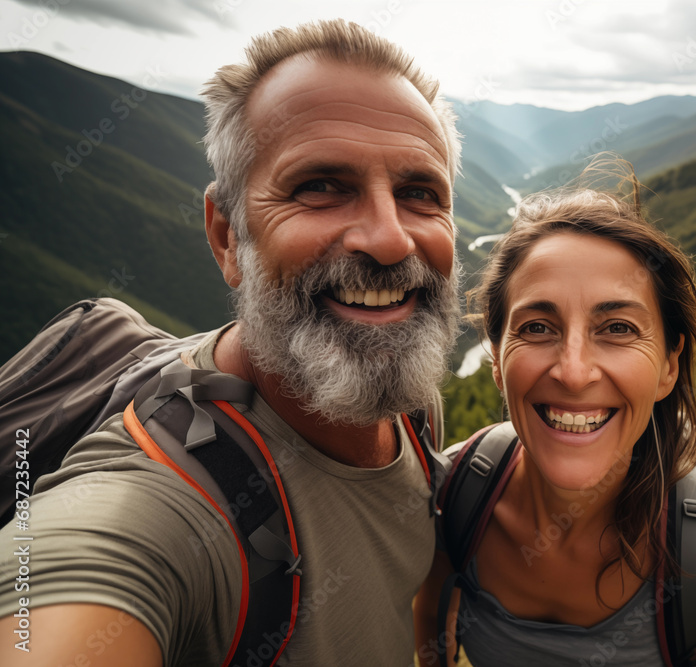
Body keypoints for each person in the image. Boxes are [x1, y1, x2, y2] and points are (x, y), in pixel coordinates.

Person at [0, 19, 462, 667]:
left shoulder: (408, 406)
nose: (390, 239)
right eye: (320, 186)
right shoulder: (156, 511)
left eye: (420, 193)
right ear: (226, 237)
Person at [415, 162, 696, 666]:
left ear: (668, 366)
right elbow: (431, 621)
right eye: (536, 328)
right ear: (496, 358)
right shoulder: (452, 494)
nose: (574, 373)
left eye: (618, 328)